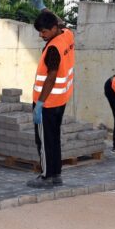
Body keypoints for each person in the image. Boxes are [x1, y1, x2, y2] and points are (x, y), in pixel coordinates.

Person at [28, 11, 75, 188]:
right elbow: (63, 22)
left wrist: (39, 104)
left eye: (44, 31)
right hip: (61, 99)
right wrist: (44, 9)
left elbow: (52, 76)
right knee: (53, 138)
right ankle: (56, 174)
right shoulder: (67, 35)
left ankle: (46, 176)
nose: (41, 35)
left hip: (47, 102)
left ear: (54, 29)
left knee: (43, 141)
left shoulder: (53, 48)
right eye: (40, 31)